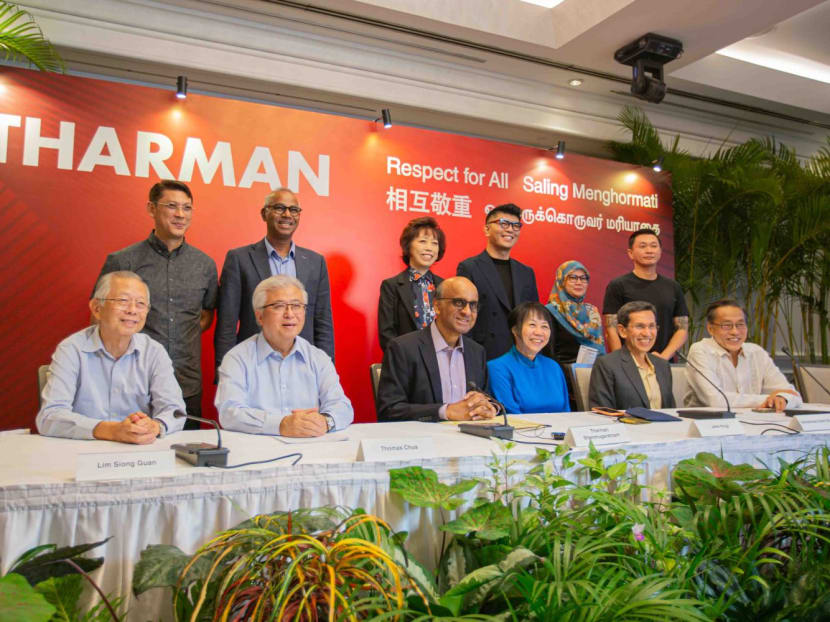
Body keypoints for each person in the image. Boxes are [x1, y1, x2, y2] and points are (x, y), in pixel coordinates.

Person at [94, 180, 217, 430]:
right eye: (171, 206)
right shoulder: (122, 260)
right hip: (132, 384)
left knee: (186, 460)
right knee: (129, 456)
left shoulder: (205, 265)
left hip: (186, 382)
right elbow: (101, 318)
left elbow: (205, 315)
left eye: (187, 208)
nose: (180, 214)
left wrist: (180, 335)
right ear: (151, 209)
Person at [37, 271, 185, 442]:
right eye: (123, 301)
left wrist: (155, 426)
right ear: (97, 308)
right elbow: (49, 417)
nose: (132, 310)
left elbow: (175, 411)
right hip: (83, 455)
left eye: (141, 303)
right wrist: (112, 431)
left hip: (139, 455)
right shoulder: (71, 350)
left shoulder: (154, 352)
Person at [216, 275, 353, 436]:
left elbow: (342, 406)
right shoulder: (237, 359)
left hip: (312, 449)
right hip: (258, 452)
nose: (290, 314)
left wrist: (325, 421)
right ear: (259, 316)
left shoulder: (318, 358)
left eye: (296, 305)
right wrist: (280, 424)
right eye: (279, 306)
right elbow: (229, 413)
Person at [214, 188, 334, 371]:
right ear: (264, 214)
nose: (287, 215)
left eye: (294, 210)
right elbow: (226, 324)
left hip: (302, 366)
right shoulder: (239, 259)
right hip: (252, 365)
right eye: (279, 208)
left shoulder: (315, 263)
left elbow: (323, 322)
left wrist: (327, 370)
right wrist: (225, 371)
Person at [376, 276, 498, 422]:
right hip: (424, 440)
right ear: (436, 306)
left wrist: (489, 408)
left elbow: (486, 397)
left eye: (473, 305)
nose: (467, 312)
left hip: (470, 440)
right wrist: (445, 411)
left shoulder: (477, 352)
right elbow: (389, 410)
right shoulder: (403, 348)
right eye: (459, 303)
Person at [685, 299, 802, 411]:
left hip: (754, 422)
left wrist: (783, 398)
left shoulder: (757, 352)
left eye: (740, 325)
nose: (735, 331)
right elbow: (716, 400)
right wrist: (769, 399)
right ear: (710, 329)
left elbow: (792, 395)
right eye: (726, 325)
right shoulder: (700, 351)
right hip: (709, 425)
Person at [457, 203, 538, 360]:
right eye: (503, 224)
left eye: (516, 226)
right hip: (484, 353)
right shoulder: (469, 267)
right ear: (487, 229)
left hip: (521, 353)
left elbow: (534, 316)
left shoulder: (526, 272)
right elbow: (463, 316)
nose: (510, 230)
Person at [602, 228, 688, 359]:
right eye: (643, 246)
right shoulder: (618, 285)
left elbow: (682, 328)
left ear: (660, 251)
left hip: (664, 361)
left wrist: (663, 358)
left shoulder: (673, 286)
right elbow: (611, 329)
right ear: (630, 253)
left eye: (654, 246)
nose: (649, 250)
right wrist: (622, 362)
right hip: (629, 363)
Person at [589, 301, 675, 410]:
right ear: (622, 331)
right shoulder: (607, 365)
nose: (647, 333)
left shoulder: (662, 365)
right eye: (640, 326)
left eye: (652, 326)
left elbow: (671, 411)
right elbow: (602, 413)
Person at [488, 302, 570, 414]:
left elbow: (566, 411)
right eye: (532, 325)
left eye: (544, 326)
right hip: (523, 430)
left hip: (559, 430)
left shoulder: (553, 366)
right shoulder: (497, 367)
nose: (539, 332)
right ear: (515, 330)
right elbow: (511, 414)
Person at [378, 217, 446, 351]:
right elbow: (386, 334)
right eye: (422, 241)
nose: (429, 248)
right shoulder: (391, 286)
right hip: (406, 362)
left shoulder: (445, 285)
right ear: (408, 246)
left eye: (434, 243)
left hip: (440, 361)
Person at [545, 260, 605, 364]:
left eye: (583, 278)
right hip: (562, 374)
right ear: (561, 281)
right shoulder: (550, 311)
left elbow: (600, 350)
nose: (579, 282)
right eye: (573, 278)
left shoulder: (592, 312)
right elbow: (547, 352)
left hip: (592, 373)